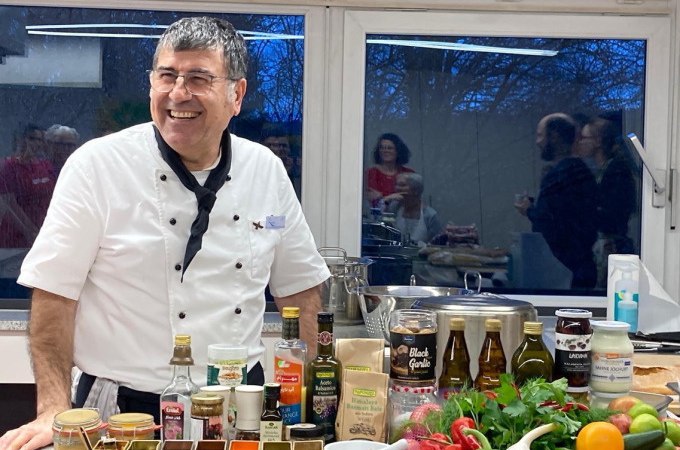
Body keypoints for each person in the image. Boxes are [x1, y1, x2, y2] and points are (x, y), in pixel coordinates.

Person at [0, 17, 329, 450]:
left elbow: (300, 292)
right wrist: (52, 410)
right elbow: (53, 294)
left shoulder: (264, 169)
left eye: (198, 78)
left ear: (237, 94)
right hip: (121, 413)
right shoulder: (97, 166)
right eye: (167, 76)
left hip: (241, 410)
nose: (178, 94)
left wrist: (307, 405)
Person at [515, 113, 598, 289]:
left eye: (540, 135)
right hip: (580, 266)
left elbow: (550, 224)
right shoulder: (580, 172)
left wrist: (530, 210)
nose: (537, 142)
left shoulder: (561, 175)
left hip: (567, 271)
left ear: (554, 136)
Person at [579, 115, 637, 287]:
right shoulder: (602, 170)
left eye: (584, 138)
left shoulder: (616, 172)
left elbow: (613, 213)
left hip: (611, 245)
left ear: (598, 141)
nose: (580, 142)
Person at [0, 124, 56, 248]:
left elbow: (54, 198)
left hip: (44, 237)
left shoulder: (45, 166)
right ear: (20, 139)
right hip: (15, 241)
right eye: (31, 139)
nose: (36, 144)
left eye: (40, 140)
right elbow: (9, 205)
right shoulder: (8, 167)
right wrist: (31, 232)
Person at [386, 172, 442, 244]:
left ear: (416, 190)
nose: (397, 188)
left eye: (402, 185)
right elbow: (385, 228)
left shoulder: (430, 215)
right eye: (396, 185)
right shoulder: (394, 209)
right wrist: (385, 202)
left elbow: (438, 243)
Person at [365, 133, 415, 208]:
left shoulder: (409, 174)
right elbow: (371, 204)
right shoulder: (371, 174)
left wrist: (383, 198)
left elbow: (414, 201)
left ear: (398, 151)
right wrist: (390, 198)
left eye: (389, 148)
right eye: (382, 148)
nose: (385, 151)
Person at [261, 125, 301, 197]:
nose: (277, 149)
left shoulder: (298, 170)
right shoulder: (255, 168)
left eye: (283, 146)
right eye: (271, 145)